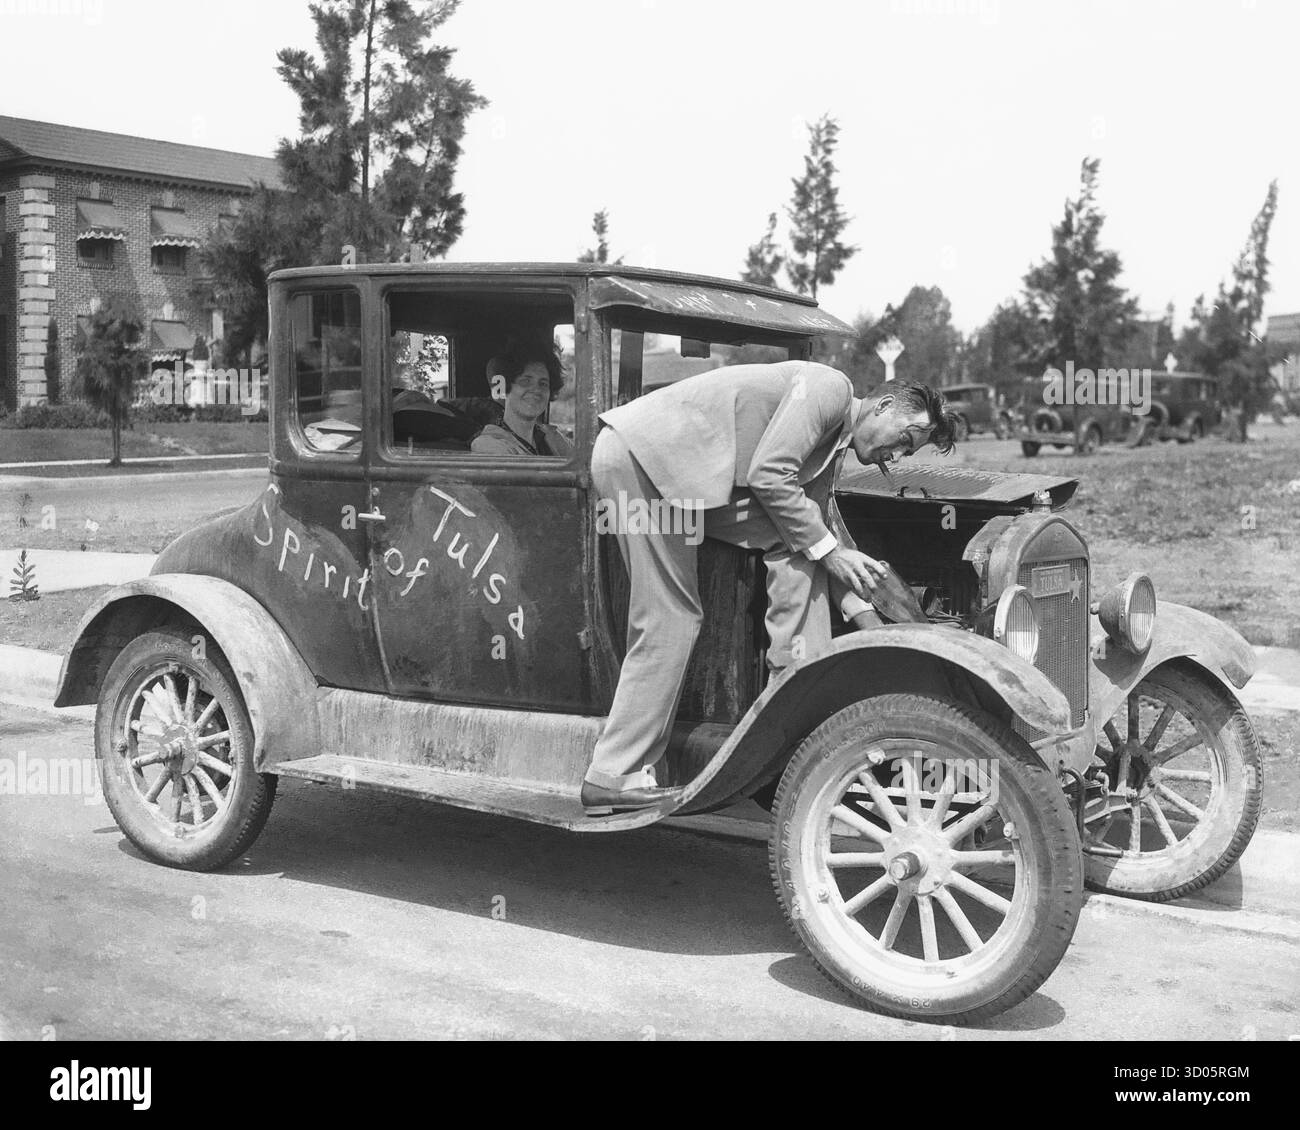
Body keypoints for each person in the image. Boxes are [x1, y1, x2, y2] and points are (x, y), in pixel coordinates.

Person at [580, 361, 957, 814]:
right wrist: (831, 554)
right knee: (671, 618)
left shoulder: (830, 450)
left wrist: (871, 625)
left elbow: (816, 533)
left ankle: (795, 691)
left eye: (906, 453)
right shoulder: (831, 388)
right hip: (642, 461)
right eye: (904, 439)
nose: (895, 457)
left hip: (680, 478)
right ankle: (612, 775)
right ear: (884, 406)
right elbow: (769, 474)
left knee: (802, 542)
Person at [471, 341, 574, 457]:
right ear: (506, 387)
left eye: (543, 383)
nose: (536, 390)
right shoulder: (488, 445)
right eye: (525, 381)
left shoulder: (552, 438)